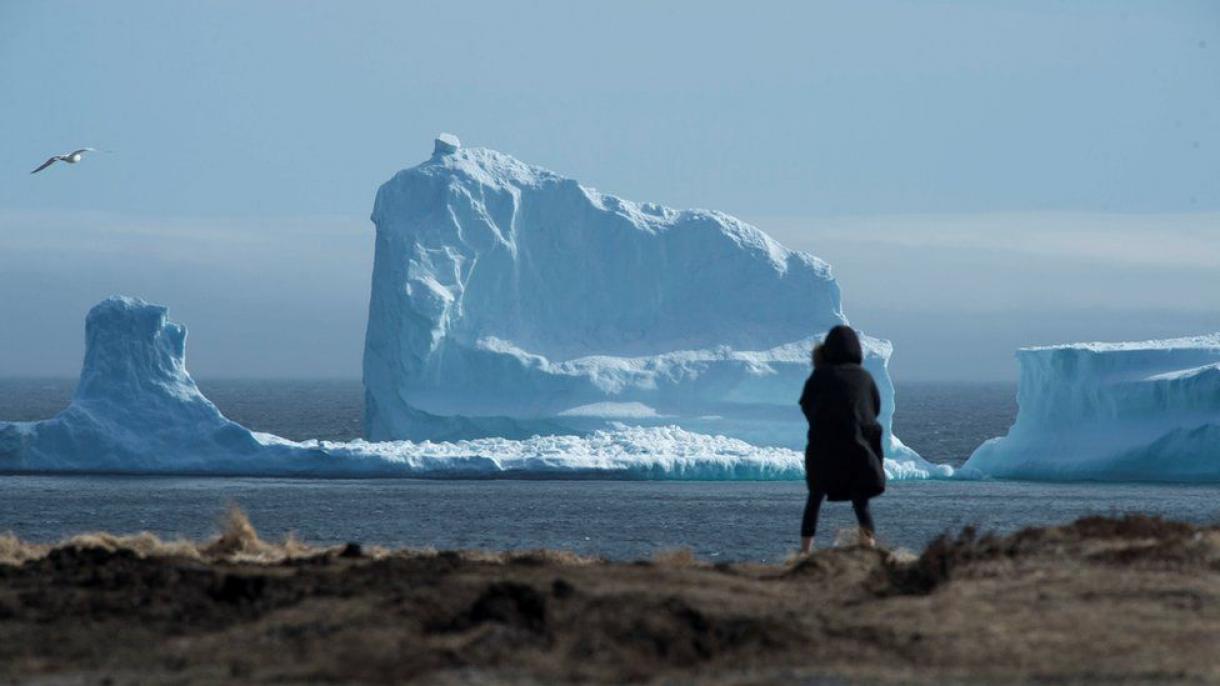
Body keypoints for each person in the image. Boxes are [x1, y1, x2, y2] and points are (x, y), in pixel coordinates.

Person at [798, 325, 886, 553]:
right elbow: (874, 410)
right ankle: (869, 549)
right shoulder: (865, 378)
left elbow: (806, 405)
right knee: (861, 501)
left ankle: (805, 552)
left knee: (814, 498)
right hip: (859, 451)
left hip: (823, 451)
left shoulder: (819, 376)